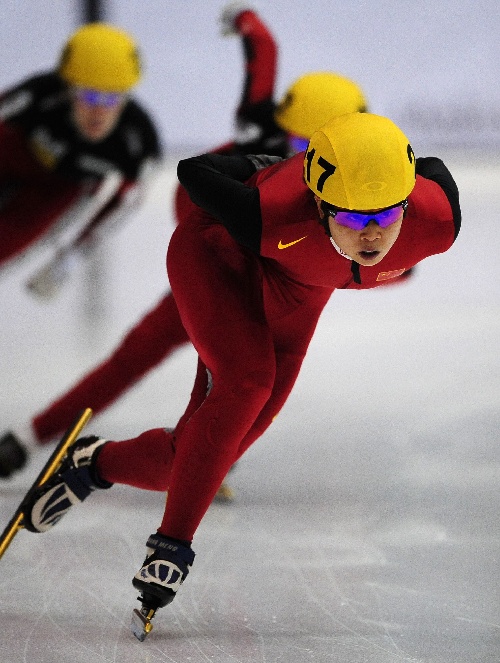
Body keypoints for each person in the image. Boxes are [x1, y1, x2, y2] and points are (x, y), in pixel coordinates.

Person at [22, 112, 461, 634]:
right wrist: (266, 166)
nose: (371, 236)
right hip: (218, 260)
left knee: (199, 459)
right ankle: (172, 543)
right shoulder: (270, 211)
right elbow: (192, 170)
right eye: (351, 218)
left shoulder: (437, 223)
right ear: (320, 203)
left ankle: (94, 463)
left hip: (297, 291)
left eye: (387, 217)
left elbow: (433, 167)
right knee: (247, 382)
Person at [0, 5, 368, 479]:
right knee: (176, 359)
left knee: (210, 366)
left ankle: (28, 443)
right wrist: (248, 23)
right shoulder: (259, 129)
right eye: (297, 144)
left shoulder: (351, 183)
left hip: (261, 260)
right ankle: (40, 441)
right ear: (281, 129)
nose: (306, 159)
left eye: (319, 150)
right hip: (211, 238)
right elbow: (264, 56)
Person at [0, 21, 161, 287]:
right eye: (89, 95)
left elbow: (124, 202)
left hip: (56, 190)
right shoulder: (40, 93)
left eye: (111, 99)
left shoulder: (137, 142)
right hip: (13, 154)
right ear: (69, 88)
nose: (99, 111)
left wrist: (72, 255)